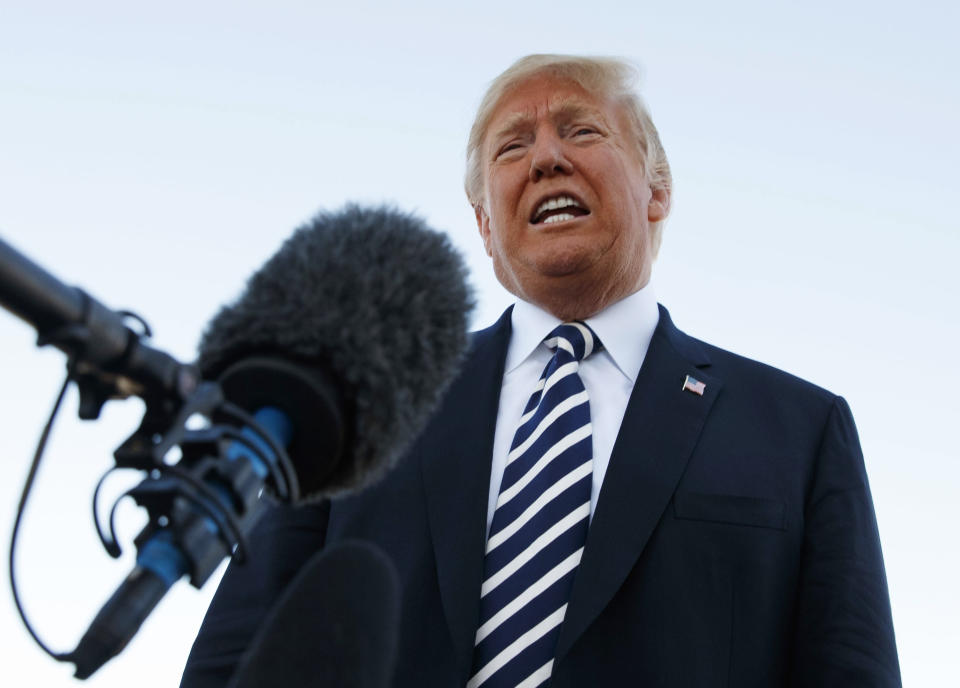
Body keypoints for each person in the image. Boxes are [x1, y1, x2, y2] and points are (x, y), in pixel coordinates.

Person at [181, 54, 900, 687]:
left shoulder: (799, 429)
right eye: (512, 146)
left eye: (581, 130)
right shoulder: (365, 403)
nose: (546, 159)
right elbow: (235, 653)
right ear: (486, 227)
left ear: (658, 190)